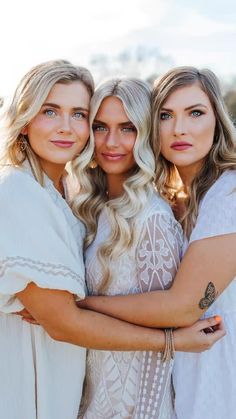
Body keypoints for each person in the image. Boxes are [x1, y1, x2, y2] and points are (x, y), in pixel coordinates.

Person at [0, 62, 223, 419]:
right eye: (100, 126)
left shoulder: (151, 220)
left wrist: (77, 307)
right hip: (64, 396)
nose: (111, 142)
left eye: (128, 128)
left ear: (146, 132)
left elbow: (159, 348)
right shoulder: (71, 203)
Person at [78, 67, 236, 419]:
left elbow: (182, 307)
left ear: (218, 121)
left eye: (195, 113)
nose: (179, 128)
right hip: (186, 380)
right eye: (166, 115)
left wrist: (78, 307)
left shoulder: (230, 193)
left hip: (221, 381)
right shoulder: (177, 199)